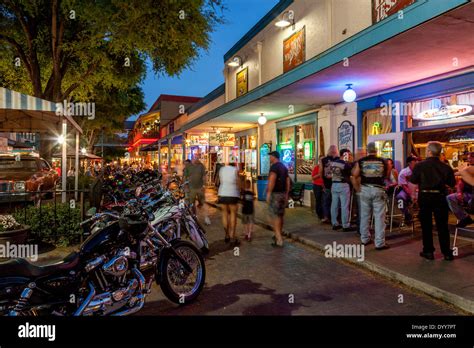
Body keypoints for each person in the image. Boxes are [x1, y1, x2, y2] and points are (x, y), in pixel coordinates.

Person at [410, 141, 456, 261]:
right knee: (442, 226)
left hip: (424, 197)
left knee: (426, 225)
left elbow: (413, 181)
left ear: (429, 151)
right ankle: (446, 253)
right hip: (440, 197)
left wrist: (413, 196)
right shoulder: (446, 167)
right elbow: (452, 184)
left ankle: (428, 251)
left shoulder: (420, 166)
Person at [351, 142, 390, 250]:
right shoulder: (383, 161)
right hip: (378, 189)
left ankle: (365, 239)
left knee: (364, 216)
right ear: (376, 150)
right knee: (379, 217)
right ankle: (379, 243)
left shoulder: (361, 161)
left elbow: (354, 175)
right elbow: (386, 175)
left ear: (367, 150)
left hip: (365, 189)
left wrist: (358, 189)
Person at [267, 151, 290, 248]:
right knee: (280, 215)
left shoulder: (274, 167)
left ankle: (278, 237)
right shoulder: (284, 167)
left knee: (273, 216)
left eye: (270, 157)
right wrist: (287, 193)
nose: (269, 158)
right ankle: (278, 235)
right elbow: (288, 180)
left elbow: (272, 178)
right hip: (282, 194)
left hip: (275, 194)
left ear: (274, 157)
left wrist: (268, 192)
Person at [330, 149, 355, 231]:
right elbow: (352, 174)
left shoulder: (333, 163)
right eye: (349, 155)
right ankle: (345, 225)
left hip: (334, 184)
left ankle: (334, 223)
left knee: (334, 205)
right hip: (343, 185)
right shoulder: (345, 164)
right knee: (344, 206)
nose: (349, 156)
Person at [447, 152, 474, 228]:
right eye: (468, 158)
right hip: (468, 194)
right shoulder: (467, 168)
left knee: (471, 202)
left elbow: (462, 172)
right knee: (450, 197)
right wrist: (459, 192)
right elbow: (461, 182)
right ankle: (464, 217)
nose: (469, 160)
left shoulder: (469, 169)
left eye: (471, 158)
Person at [218, 155, 240, 246]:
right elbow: (238, 182)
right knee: (233, 214)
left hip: (222, 193)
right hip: (233, 194)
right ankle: (232, 236)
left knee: (224, 214)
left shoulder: (222, 169)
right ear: (234, 162)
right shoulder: (235, 170)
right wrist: (241, 191)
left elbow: (220, 180)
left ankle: (226, 234)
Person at [184, 154, 211, 225]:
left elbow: (204, 176)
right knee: (191, 204)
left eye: (198, 158)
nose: (198, 159)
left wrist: (204, 186)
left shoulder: (201, 166)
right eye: (196, 158)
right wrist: (186, 187)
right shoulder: (188, 166)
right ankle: (194, 217)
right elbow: (184, 177)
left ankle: (206, 218)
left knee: (203, 203)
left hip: (200, 188)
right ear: (193, 159)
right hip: (191, 188)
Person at [319, 145, 339, 223]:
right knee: (335, 201)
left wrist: (321, 181)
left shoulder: (323, 160)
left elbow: (320, 172)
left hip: (326, 183)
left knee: (326, 201)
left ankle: (326, 217)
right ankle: (335, 218)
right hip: (336, 183)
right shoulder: (338, 159)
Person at [396, 156, 419, 224]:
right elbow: (404, 186)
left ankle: (421, 215)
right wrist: (411, 194)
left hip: (417, 191)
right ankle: (406, 213)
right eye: (414, 163)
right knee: (399, 198)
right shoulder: (403, 172)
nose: (416, 164)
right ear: (409, 163)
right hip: (406, 191)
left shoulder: (419, 171)